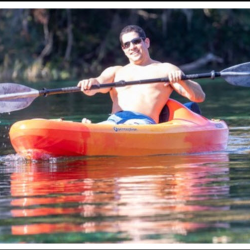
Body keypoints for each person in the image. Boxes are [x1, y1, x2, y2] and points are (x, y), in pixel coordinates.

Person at [77, 25, 205, 125]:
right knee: (109, 125)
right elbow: (98, 84)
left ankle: (96, 130)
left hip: (143, 123)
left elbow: (199, 97)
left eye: (136, 41)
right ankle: (92, 130)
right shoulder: (115, 71)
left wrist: (184, 81)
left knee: (117, 127)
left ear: (147, 42)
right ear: (123, 49)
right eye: (126, 44)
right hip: (114, 121)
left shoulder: (166, 70)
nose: (132, 47)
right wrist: (90, 84)